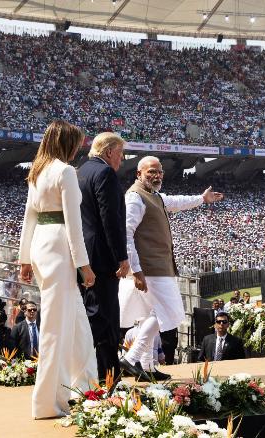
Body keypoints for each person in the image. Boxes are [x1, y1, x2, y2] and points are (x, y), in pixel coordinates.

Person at [18, 120, 98, 420]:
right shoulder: (64, 171)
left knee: (77, 322)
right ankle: (48, 402)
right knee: (55, 327)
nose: (79, 147)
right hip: (60, 249)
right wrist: (84, 265)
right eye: (77, 142)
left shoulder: (37, 172)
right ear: (67, 142)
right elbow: (73, 224)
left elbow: (29, 218)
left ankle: (86, 386)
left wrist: (24, 258)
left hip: (41, 246)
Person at [119, 156, 223, 376]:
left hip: (156, 266)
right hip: (150, 268)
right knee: (172, 312)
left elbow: (177, 202)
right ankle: (132, 357)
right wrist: (135, 270)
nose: (156, 176)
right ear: (139, 174)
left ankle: (146, 367)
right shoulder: (135, 198)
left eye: (159, 172)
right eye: (151, 172)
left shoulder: (154, 195)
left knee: (149, 316)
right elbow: (126, 235)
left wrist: (201, 199)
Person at [77, 132, 130, 380]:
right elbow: (111, 220)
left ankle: (110, 373)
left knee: (109, 317)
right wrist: (122, 256)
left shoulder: (82, 171)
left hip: (85, 253)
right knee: (99, 315)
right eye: (121, 153)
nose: (122, 159)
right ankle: (77, 369)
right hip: (102, 256)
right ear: (109, 151)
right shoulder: (105, 173)